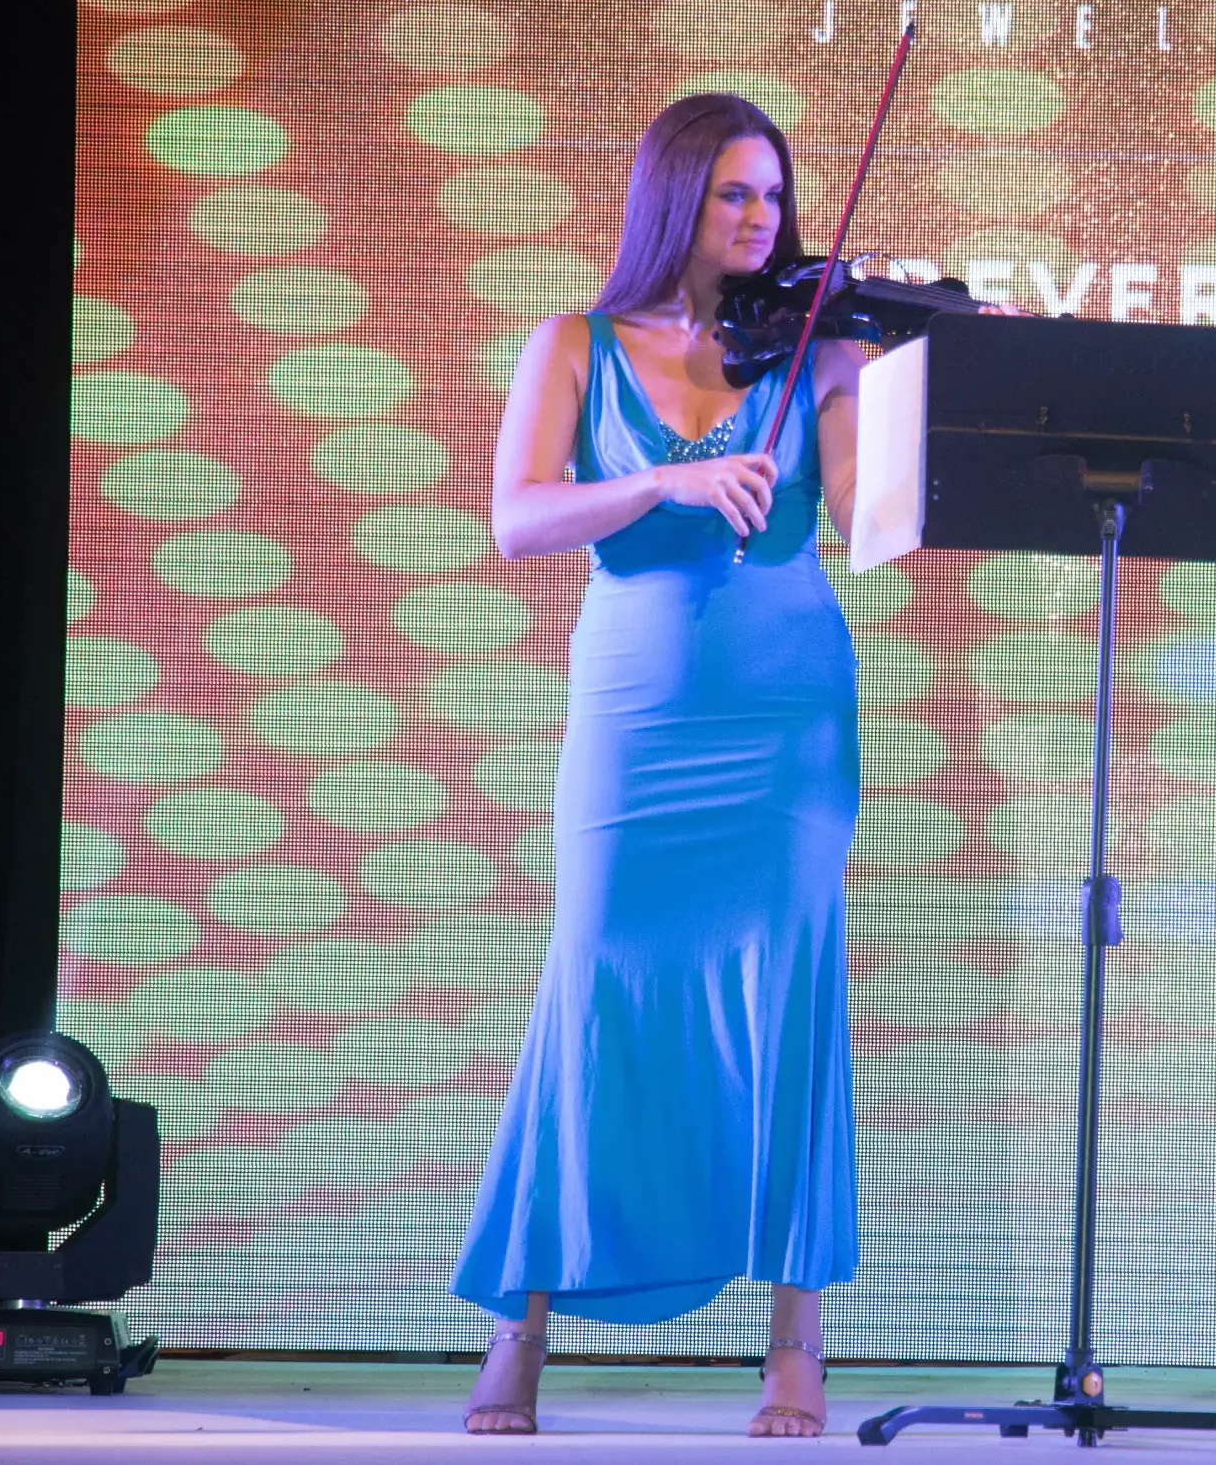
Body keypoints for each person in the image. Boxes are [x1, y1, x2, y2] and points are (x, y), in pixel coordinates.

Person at [451, 93, 868, 1439]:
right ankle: (521, 1325)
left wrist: (877, 373)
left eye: (772, 197)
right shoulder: (572, 342)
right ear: (672, 198)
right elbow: (519, 519)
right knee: (593, 990)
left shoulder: (811, 344)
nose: (759, 221)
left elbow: (866, 520)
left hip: (790, 713)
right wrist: (662, 486)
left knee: (791, 999)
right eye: (733, 195)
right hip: (640, 715)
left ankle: (794, 1344)